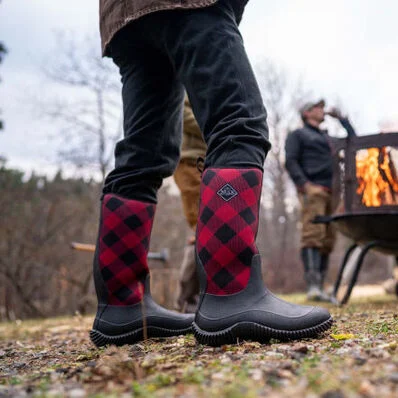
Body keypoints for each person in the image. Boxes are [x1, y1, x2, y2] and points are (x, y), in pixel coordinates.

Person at [91, 0, 332, 348]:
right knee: (239, 124)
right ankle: (230, 292)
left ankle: (121, 304)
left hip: (123, 17)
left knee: (144, 154)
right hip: (187, 4)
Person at [285, 99, 356, 301]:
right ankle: (313, 287)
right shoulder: (298, 135)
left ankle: (322, 288)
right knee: (312, 235)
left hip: (334, 194)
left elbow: (353, 142)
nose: (322, 110)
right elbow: (290, 161)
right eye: (318, 107)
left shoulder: (327, 138)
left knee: (328, 239)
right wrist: (306, 186)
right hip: (314, 191)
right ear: (307, 113)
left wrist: (342, 119)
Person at [173, 97, 206, 313]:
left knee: (210, 230)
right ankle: (187, 302)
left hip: (208, 161)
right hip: (189, 163)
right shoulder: (184, 88)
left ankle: (200, 298)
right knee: (201, 230)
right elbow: (182, 116)